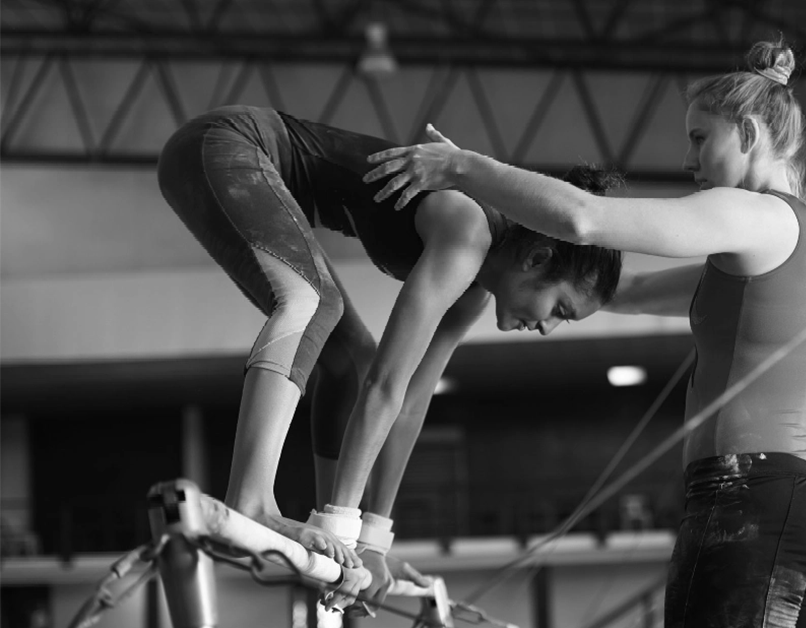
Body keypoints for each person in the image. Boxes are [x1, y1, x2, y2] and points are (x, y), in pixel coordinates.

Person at [364, 39, 806, 627]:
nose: (688, 160)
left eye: (701, 138)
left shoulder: (756, 215)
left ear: (750, 134)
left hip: (750, 500)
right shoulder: (789, 250)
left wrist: (464, 167)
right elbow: (613, 293)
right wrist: (517, 270)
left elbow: (582, 218)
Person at [156, 105, 622, 608]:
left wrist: (369, 543)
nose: (548, 328)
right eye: (562, 310)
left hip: (237, 159)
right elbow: (387, 386)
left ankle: (329, 528)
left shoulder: (471, 294)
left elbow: (411, 403)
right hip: (227, 144)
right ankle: (251, 499)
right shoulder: (468, 235)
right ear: (537, 260)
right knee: (313, 303)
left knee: (349, 357)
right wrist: (343, 524)